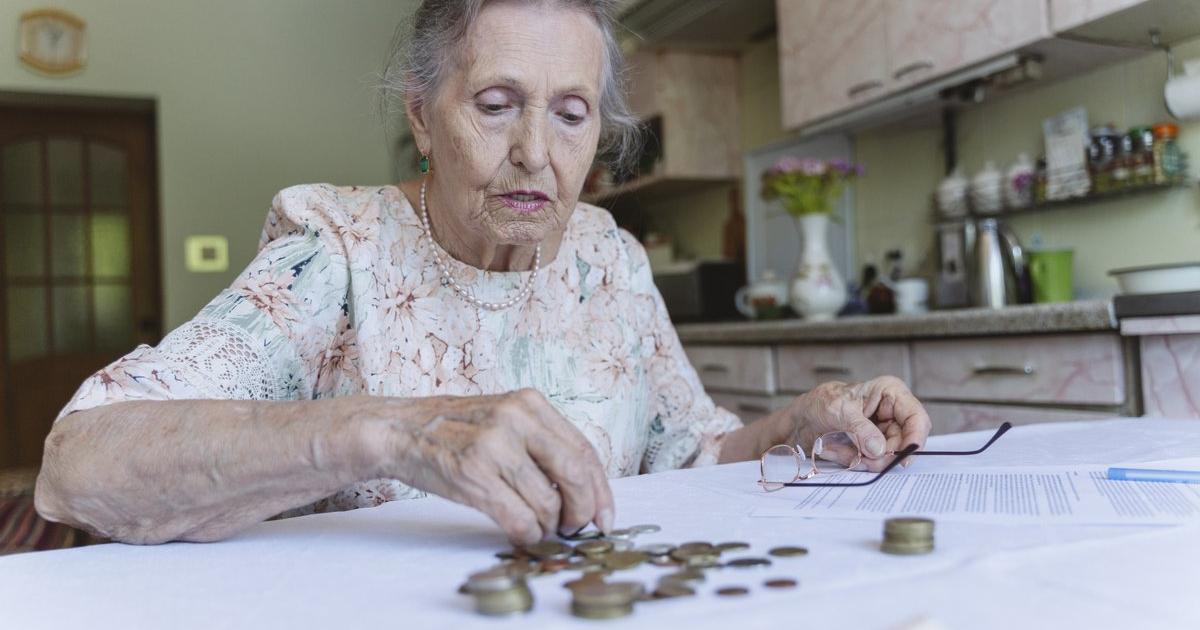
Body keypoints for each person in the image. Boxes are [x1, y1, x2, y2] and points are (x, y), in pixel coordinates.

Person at [35, 0, 931, 547]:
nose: (536, 153)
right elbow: (77, 465)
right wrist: (394, 433)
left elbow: (688, 451)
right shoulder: (336, 251)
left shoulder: (608, 259)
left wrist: (797, 427)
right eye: (496, 106)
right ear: (424, 118)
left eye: (572, 114)